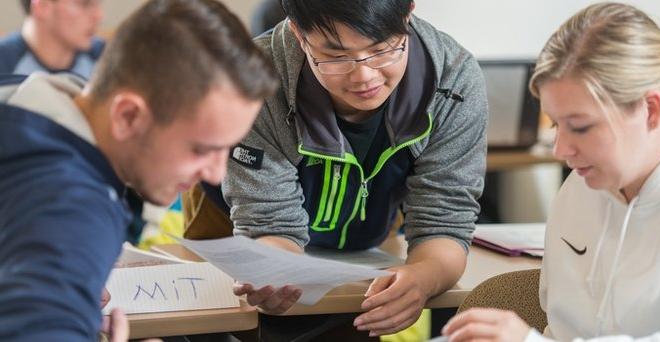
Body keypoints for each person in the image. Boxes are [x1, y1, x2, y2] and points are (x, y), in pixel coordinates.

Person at [0, 0, 278, 340]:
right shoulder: (73, 210)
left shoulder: (18, 95)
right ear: (128, 115)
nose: (216, 175)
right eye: (202, 149)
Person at [214, 0, 488, 337]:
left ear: (407, 14)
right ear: (298, 33)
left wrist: (423, 276)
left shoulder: (452, 83)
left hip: (365, 247)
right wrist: (271, 270)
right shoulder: (255, 80)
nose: (364, 76)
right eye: (336, 56)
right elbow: (269, 222)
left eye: (383, 49)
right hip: (232, 224)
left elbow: (444, 222)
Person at [442, 2, 660, 341]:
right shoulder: (583, 187)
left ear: (651, 109)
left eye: (580, 126)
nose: (561, 150)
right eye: (555, 124)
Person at [0, 0, 104, 79]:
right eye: (84, 4)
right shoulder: (4, 63)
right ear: (42, 6)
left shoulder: (105, 57)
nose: (98, 16)